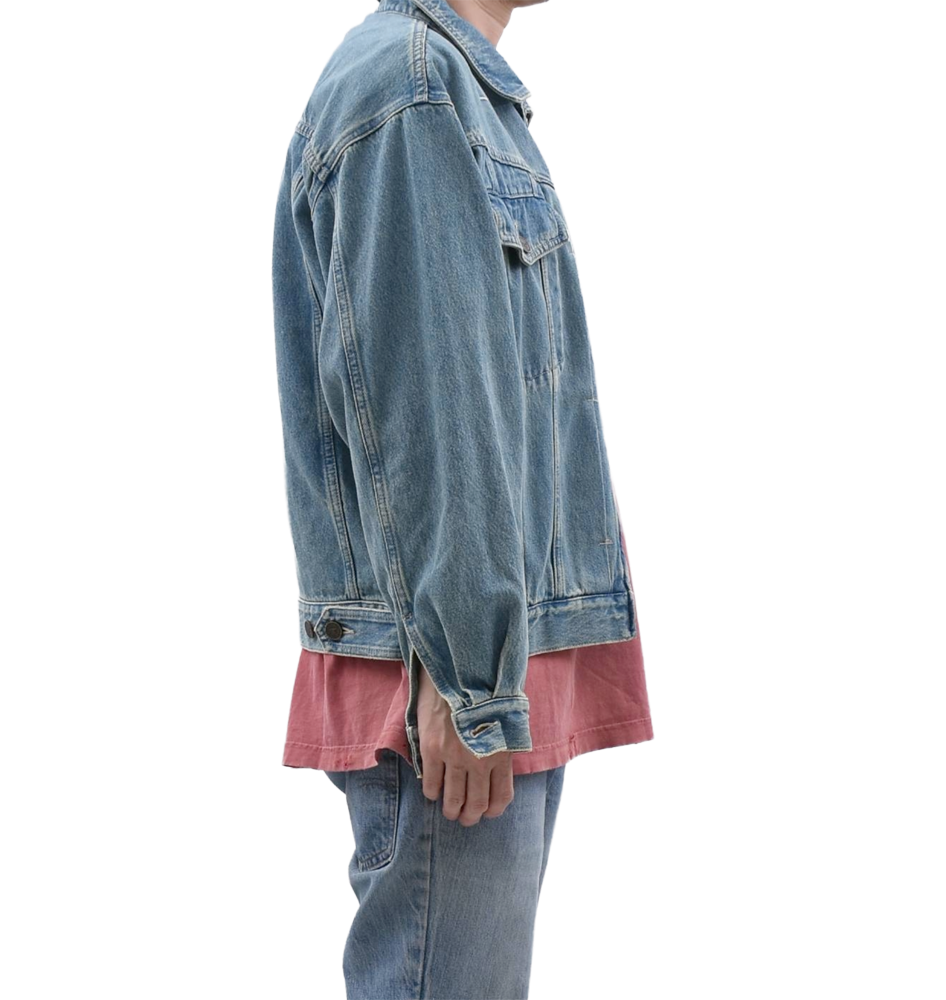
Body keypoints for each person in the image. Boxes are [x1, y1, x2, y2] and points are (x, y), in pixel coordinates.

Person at [272, 1, 654, 996]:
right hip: (452, 676)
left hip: (489, 656)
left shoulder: (460, 88)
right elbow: (429, 396)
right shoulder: (410, 87)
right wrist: (468, 678)